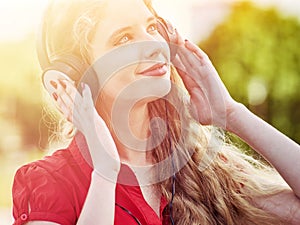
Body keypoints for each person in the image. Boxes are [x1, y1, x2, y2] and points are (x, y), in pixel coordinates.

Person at [12, 0, 300, 224]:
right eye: (123, 39)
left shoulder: (202, 167)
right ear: (76, 75)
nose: (152, 45)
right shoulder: (50, 183)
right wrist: (105, 174)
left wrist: (230, 112)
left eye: (151, 28)